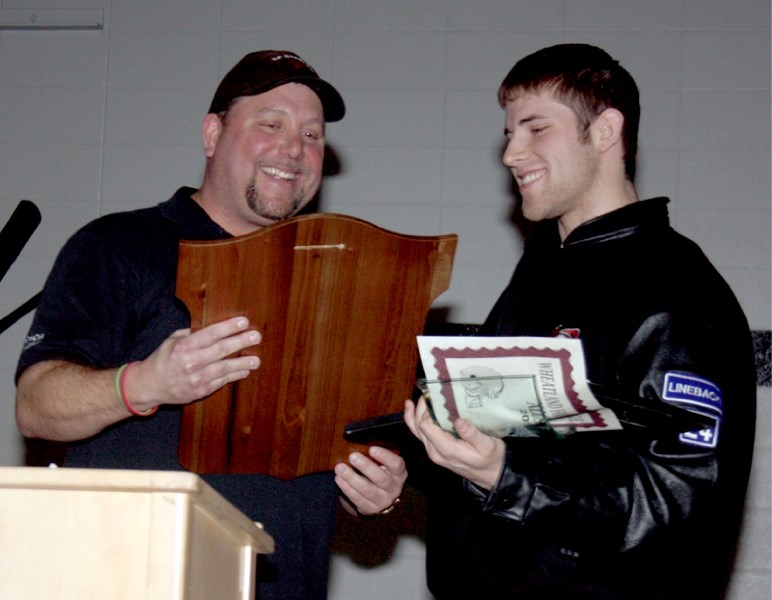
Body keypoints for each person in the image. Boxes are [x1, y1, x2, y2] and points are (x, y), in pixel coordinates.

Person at [15, 50, 406, 600]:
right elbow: (34, 407)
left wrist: (372, 491)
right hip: (135, 580)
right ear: (212, 134)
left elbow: (331, 463)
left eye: (312, 135)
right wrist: (148, 383)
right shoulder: (117, 246)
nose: (294, 148)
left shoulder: (339, 282)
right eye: (270, 124)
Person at [404, 43, 756, 600]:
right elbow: (506, 444)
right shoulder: (543, 272)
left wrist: (506, 480)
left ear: (606, 131)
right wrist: (407, 470)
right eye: (508, 135)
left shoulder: (676, 290)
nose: (511, 154)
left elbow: (676, 502)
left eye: (535, 129)